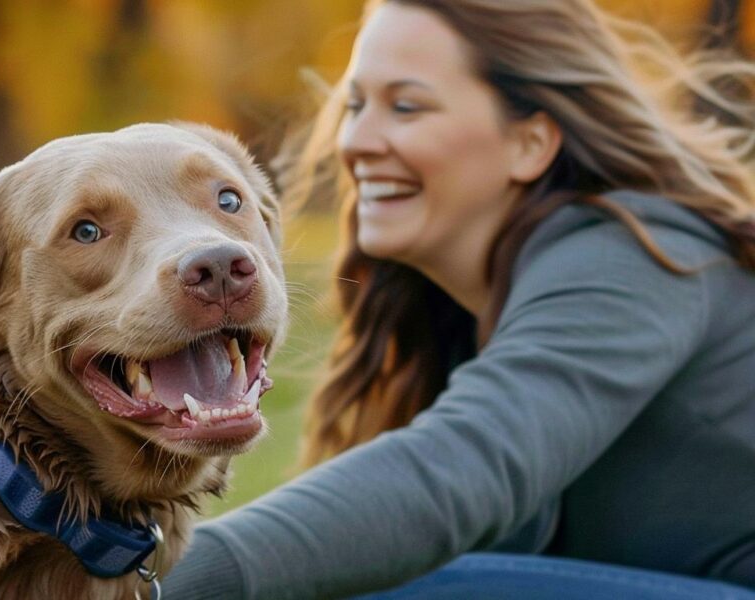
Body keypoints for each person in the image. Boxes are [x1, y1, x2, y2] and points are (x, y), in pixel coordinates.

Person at [160, 0, 755, 598]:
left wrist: (164, 580)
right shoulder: (456, 317)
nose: (357, 140)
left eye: (407, 106)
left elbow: (461, 468)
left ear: (531, 142)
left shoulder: (633, 264)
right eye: (357, 105)